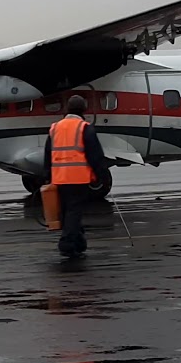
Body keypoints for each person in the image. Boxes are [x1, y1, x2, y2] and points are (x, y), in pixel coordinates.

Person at [44, 95, 111, 261]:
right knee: (74, 212)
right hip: (78, 177)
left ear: (67, 109)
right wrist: (102, 175)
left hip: (59, 178)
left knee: (68, 211)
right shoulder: (84, 127)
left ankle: (79, 243)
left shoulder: (54, 128)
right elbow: (95, 155)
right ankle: (66, 244)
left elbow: (47, 155)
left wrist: (47, 176)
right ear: (83, 110)